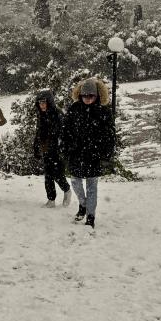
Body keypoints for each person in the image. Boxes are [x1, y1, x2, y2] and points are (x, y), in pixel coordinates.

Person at [60, 78, 115, 228]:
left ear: (97, 96)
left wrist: (106, 154)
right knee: (75, 182)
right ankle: (82, 205)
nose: (88, 99)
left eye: (91, 96)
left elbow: (110, 135)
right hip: (76, 153)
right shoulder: (74, 109)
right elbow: (65, 131)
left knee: (92, 187)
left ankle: (91, 216)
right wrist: (65, 148)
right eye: (85, 96)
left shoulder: (104, 112)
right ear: (80, 95)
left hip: (94, 155)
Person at [33, 90, 72, 208]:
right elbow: (38, 132)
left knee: (57, 174)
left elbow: (64, 133)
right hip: (46, 149)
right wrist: (36, 146)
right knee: (48, 175)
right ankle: (51, 200)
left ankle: (67, 190)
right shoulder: (41, 115)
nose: (42, 105)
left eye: (44, 102)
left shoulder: (58, 114)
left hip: (57, 150)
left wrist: (61, 147)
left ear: (49, 102)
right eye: (40, 103)